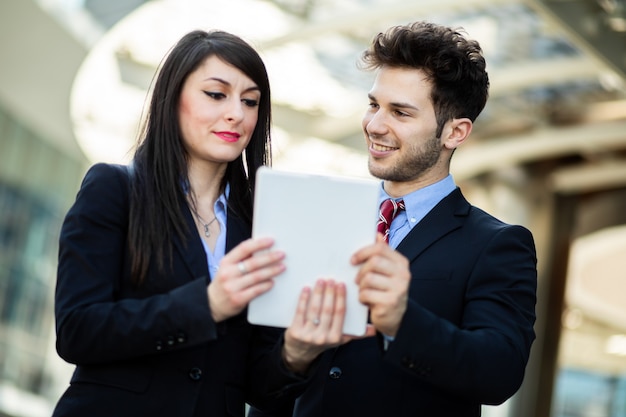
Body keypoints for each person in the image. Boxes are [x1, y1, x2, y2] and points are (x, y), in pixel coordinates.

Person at [250, 20, 537, 417]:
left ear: (455, 132)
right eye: (374, 105)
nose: (374, 125)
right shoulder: (316, 216)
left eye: (400, 112)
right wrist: (294, 356)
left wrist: (402, 322)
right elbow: (260, 381)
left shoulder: (497, 245)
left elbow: (499, 372)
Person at [52, 29, 345, 417]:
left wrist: (297, 352)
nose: (236, 114)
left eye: (251, 101)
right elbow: (77, 331)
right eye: (216, 94)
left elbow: (261, 391)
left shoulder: (263, 227)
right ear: (173, 98)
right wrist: (207, 305)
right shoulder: (114, 189)